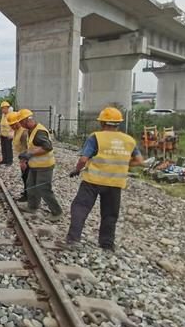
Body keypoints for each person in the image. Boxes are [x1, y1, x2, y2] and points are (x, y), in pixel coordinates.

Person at [61, 107, 143, 250]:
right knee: (110, 214)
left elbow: (84, 158)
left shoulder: (96, 137)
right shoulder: (129, 140)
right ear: (118, 123)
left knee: (80, 207)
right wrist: (121, 165)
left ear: (102, 122)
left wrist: (77, 170)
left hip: (93, 181)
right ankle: (106, 244)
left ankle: (73, 239)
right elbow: (139, 161)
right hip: (115, 183)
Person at [16, 110, 62, 222]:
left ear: (27, 120)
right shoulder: (31, 130)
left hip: (44, 166)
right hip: (35, 165)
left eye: (21, 122)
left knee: (44, 189)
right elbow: (33, 146)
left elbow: (47, 147)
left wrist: (30, 153)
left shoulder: (39, 132)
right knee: (30, 185)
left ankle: (57, 212)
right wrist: (26, 156)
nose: (20, 125)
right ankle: (32, 206)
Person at [6, 111, 29, 202]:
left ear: (17, 123)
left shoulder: (24, 133)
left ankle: (27, 195)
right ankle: (26, 191)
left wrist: (24, 161)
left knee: (27, 177)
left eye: (12, 124)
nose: (11, 126)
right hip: (22, 157)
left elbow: (27, 149)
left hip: (26, 159)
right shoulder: (17, 131)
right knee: (24, 176)